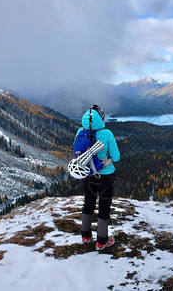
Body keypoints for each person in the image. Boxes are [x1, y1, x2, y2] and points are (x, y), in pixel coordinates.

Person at [76, 104, 120, 250]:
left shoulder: (80, 132)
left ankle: (86, 235)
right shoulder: (107, 134)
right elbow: (116, 157)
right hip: (106, 177)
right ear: (101, 118)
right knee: (104, 207)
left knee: (88, 203)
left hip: (87, 176)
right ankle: (102, 240)